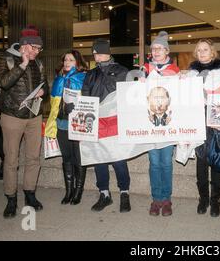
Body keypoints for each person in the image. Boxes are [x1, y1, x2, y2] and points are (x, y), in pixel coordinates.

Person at [0, 26, 49, 218]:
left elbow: (45, 86)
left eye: (38, 49)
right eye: (34, 48)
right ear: (24, 46)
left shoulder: (39, 64)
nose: (36, 52)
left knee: (33, 158)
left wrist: (44, 92)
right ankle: (11, 198)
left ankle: (30, 194)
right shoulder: (5, 58)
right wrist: (23, 65)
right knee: (11, 159)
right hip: (12, 117)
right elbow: (3, 83)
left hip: (34, 116)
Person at [81, 39, 131, 213]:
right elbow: (85, 96)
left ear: (109, 53)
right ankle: (104, 194)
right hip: (96, 122)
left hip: (115, 122)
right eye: (95, 53)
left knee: (119, 159)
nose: (97, 55)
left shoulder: (122, 71)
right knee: (99, 160)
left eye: (100, 52)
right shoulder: (90, 74)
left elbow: (127, 96)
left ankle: (124, 192)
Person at [188, 39, 220, 217]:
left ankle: (215, 200)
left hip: (218, 118)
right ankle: (203, 198)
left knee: (217, 159)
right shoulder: (191, 73)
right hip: (198, 119)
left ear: (212, 51)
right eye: (199, 50)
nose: (202, 52)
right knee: (201, 160)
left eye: (205, 49)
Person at [142, 31, 180, 216]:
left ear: (167, 51)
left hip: (168, 126)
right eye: (153, 49)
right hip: (150, 125)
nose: (156, 51)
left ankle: (166, 199)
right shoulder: (144, 69)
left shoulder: (175, 71)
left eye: (159, 48)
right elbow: (133, 94)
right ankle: (156, 199)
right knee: (154, 162)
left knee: (166, 162)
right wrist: (138, 83)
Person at [44, 50, 87, 205]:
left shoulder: (83, 77)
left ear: (78, 62)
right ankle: (68, 190)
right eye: (65, 60)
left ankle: (78, 191)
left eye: (71, 60)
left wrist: (75, 107)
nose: (67, 62)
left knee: (78, 158)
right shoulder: (58, 79)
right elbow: (54, 102)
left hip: (77, 123)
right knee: (67, 157)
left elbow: (89, 102)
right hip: (61, 122)